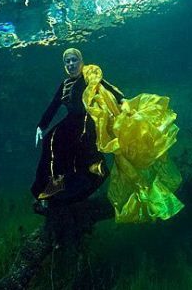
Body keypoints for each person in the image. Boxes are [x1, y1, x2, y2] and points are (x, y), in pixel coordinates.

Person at [31, 47, 124, 213]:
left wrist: (123, 102)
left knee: (81, 148)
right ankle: (53, 188)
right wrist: (41, 125)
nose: (71, 64)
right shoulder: (65, 84)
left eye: (74, 60)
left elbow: (109, 89)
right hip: (71, 121)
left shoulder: (89, 77)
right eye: (67, 61)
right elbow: (54, 105)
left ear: (81, 62)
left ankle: (95, 174)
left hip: (88, 120)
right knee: (50, 141)